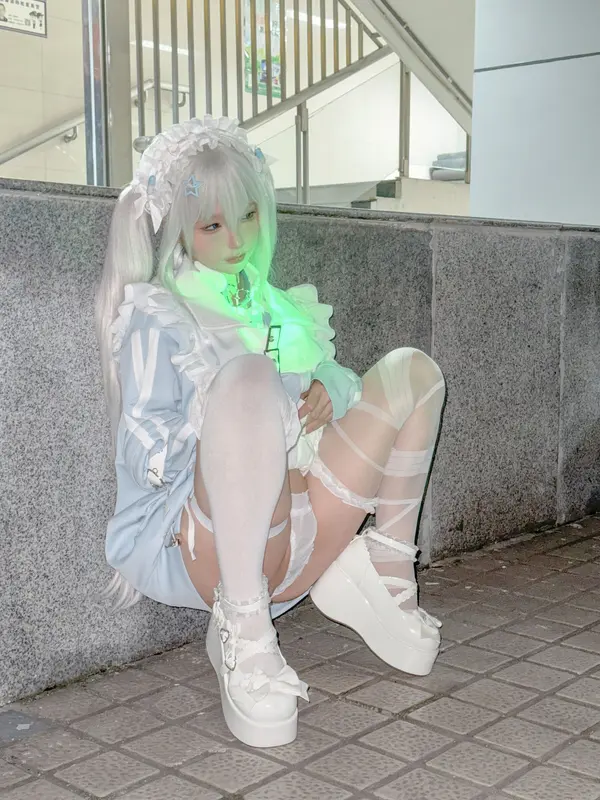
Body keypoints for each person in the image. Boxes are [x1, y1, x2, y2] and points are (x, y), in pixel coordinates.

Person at [96, 116, 445, 749]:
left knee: (412, 372)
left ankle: (383, 568)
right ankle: (244, 626)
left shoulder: (277, 303)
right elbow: (146, 445)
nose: (237, 239)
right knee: (250, 376)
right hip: (217, 543)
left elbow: (341, 377)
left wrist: (326, 388)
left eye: (249, 216)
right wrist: (239, 411)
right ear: (181, 227)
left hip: (312, 518)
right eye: (213, 225)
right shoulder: (160, 313)